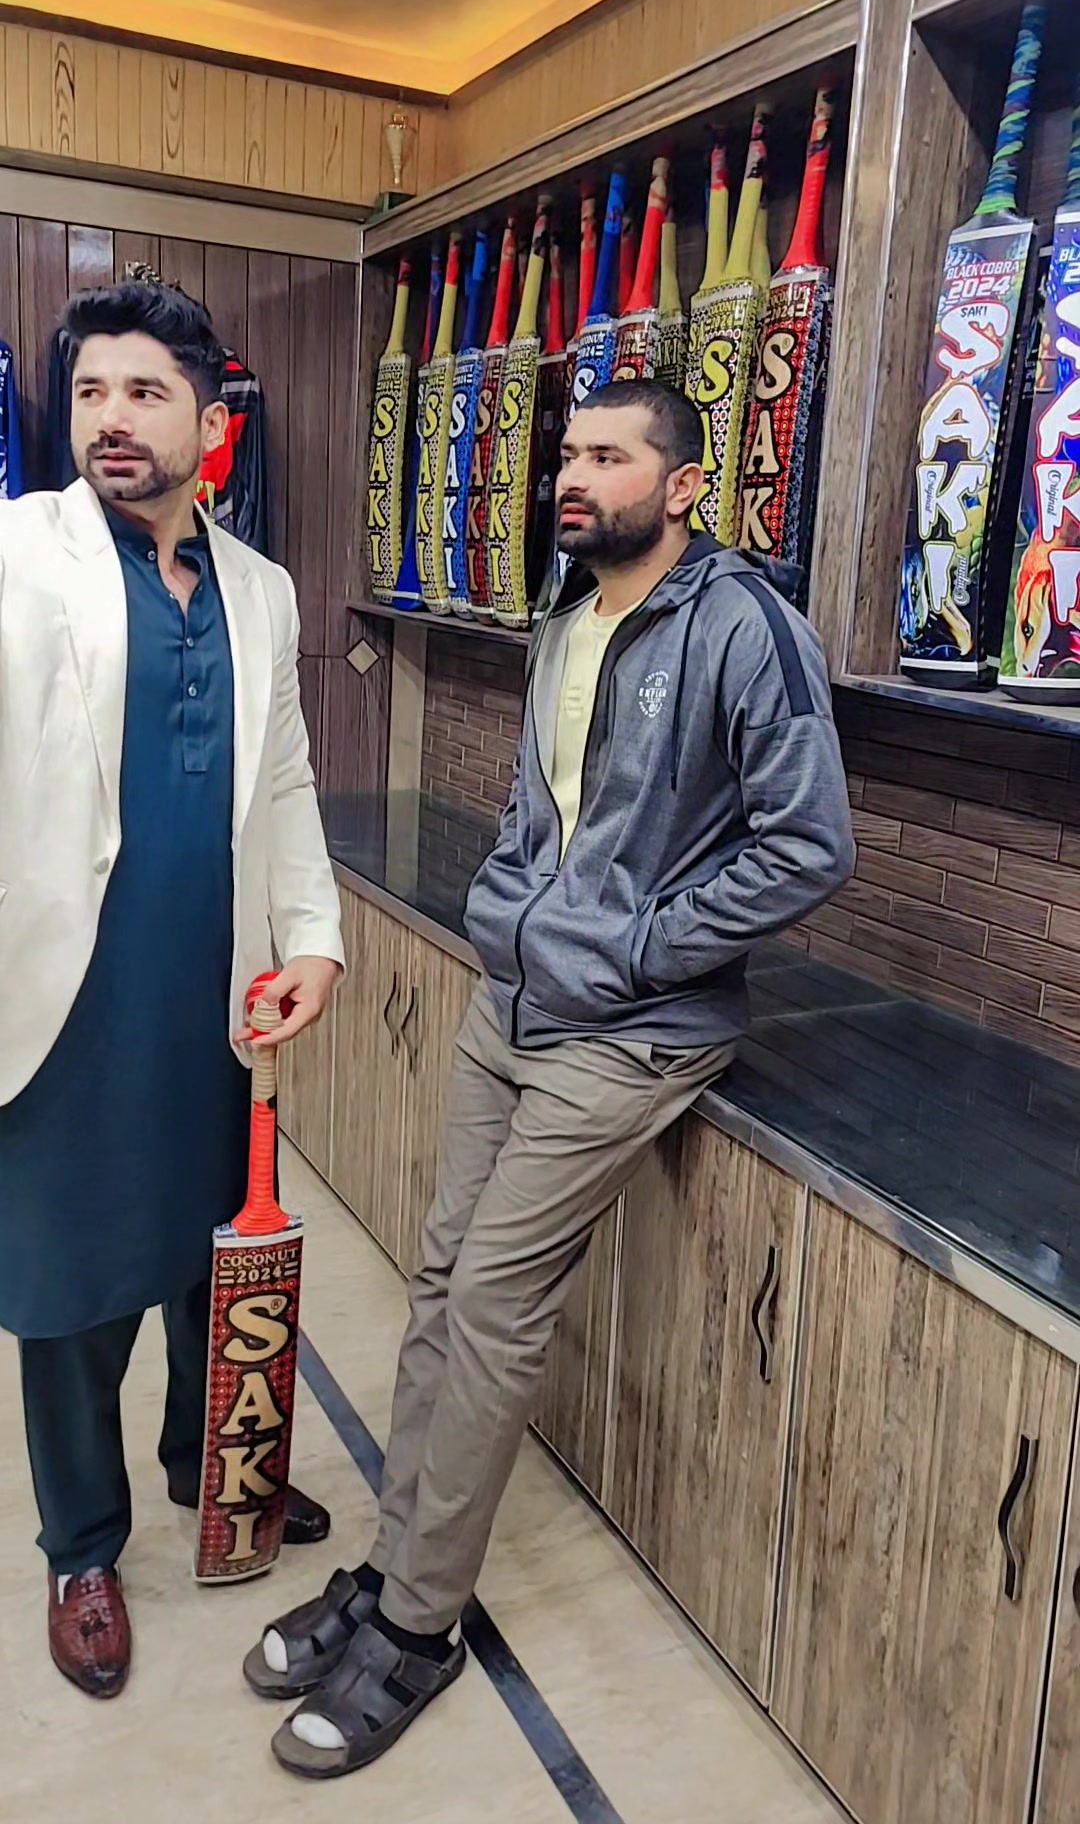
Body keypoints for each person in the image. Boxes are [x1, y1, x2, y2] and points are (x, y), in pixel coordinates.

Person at [246, 378, 854, 1779]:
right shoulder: (565, 612)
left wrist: (640, 944)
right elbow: (547, 803)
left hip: (635, 1028)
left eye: (608, 457)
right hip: (513, 1001)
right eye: (568, 453)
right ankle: (390, 1569)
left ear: (685, 486)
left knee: (492, 1310)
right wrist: (516, 905)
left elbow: (808, 843)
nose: (572, 476)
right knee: (440, 1285)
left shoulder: (744, 629)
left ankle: (417, 1627)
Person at [0, 281, 344, 1699]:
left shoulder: (260, 588)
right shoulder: (16, 556)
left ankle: (214, 1465)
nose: (112, 420)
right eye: (90, 392)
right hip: (62, 1000)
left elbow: (287, 782)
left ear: (211, 421)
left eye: (145, 393)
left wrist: (312, 937)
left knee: (217, 1262)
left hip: (217, 990)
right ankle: (82, 1547)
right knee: (69, 1289)